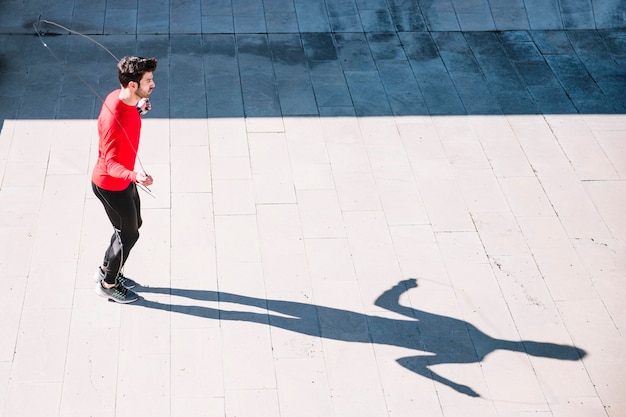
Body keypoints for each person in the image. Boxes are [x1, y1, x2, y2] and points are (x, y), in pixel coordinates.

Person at [91, 56, 157, 303]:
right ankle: (108, 284)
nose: (153, 84)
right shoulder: (113, 118)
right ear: (132, 84)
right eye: (148, 80)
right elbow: (110, 163)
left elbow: (129, 117)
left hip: (124, 183)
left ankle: (107, 269)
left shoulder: (125, 100)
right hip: (111, 186)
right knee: (128, 235)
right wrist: (135, 175)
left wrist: (138, 110)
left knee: (132, 226)